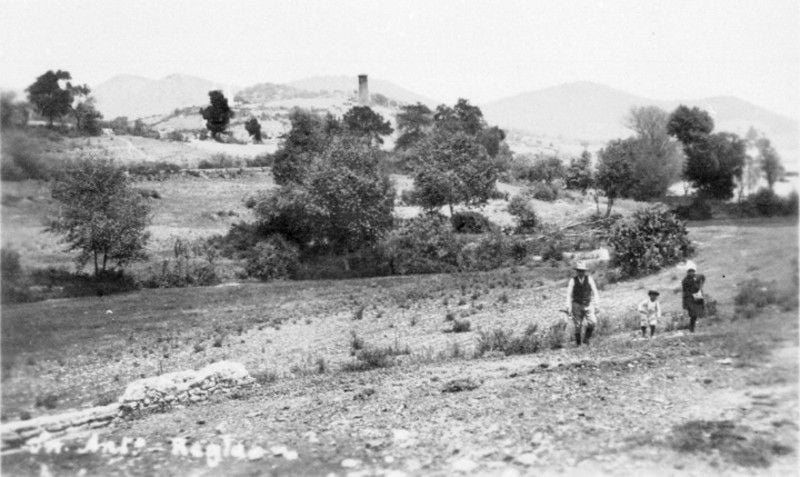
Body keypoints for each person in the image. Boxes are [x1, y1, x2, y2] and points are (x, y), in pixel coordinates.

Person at [565, 261, 600, 346]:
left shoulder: (589, 279)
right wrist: (568, 306)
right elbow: (569, 294)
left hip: (588, 304)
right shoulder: (573, 281)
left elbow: (595, 291)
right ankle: (578, 344)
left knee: (593, 322)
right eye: (579, 271)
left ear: (585, 271)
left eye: (582, 271)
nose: (581, 272)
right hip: (576, 304)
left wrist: (597, 303)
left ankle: (586, 339)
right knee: (578, 325)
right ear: (577, 271)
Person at [681, 261, 703, 332]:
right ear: (688, 272)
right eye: (690, 271)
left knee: (695, 314)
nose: (692, 273)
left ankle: (692, 327)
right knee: (693, 313)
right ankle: (691, 328)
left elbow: (698, 289)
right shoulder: (685, 280)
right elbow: (687, 290)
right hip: (689, 299)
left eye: (693, 271)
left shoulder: (696, 279)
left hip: (695, 298)